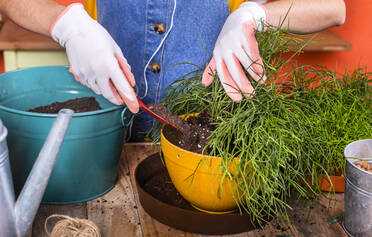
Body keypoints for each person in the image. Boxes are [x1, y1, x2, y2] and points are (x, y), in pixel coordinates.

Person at [0, 0, 345, 140]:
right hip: (109, 132)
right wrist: (67, 25)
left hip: (210, 139)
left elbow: (332, 7)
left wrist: (253, 15)